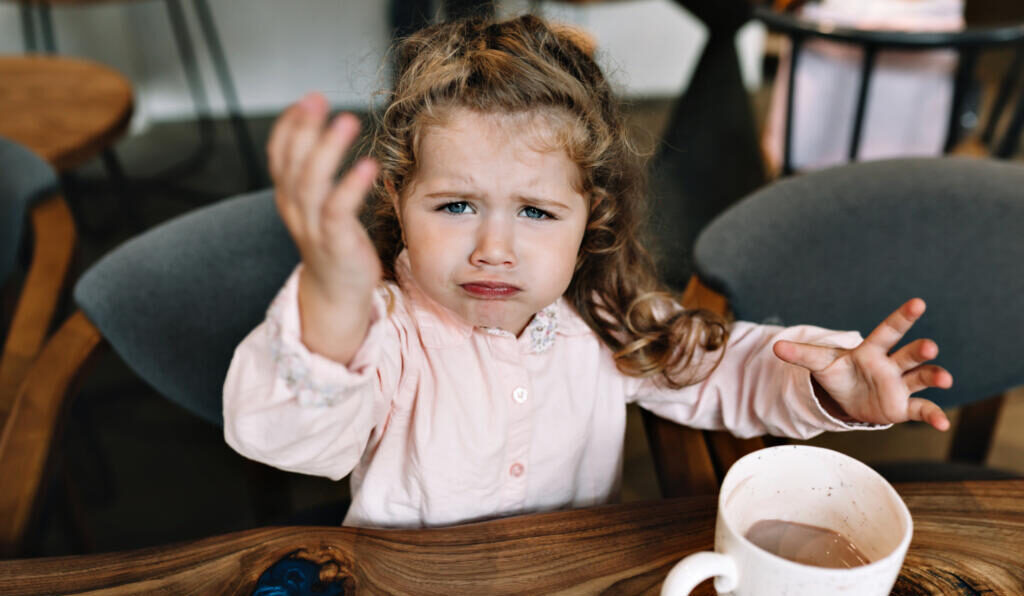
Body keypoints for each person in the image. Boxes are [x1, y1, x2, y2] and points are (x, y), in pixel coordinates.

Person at [223, 15, 952, 529]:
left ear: (590, 215)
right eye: (455, 205)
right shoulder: (382, 332)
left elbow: (726, 369)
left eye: (536, 212)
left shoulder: (606, 313)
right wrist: (331, 306)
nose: (494, 249)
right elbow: (279, 437)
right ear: (397, 199)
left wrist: (826, 383)